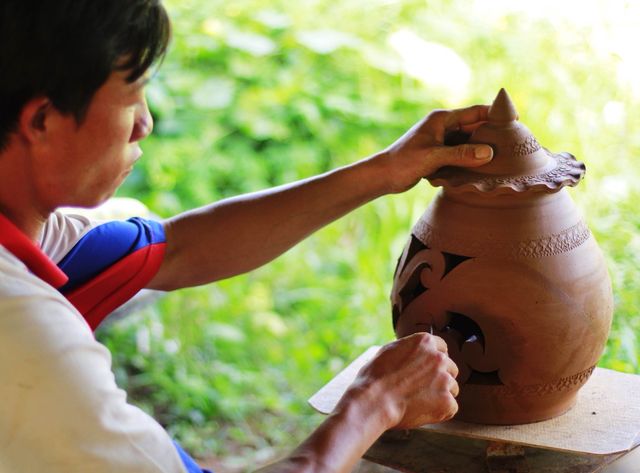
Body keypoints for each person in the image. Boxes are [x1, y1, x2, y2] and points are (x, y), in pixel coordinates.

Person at [0, 1, 494, 472]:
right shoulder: (26, 336)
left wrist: (387, 170)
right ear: (42, 120)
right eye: (132, 97)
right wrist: (376, 401)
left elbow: (179, 249)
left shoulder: (30, 230)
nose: (145, 123)